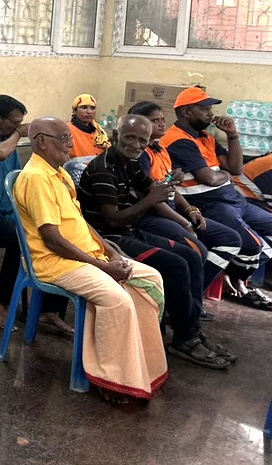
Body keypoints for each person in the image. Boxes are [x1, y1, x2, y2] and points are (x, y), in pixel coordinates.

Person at [14, 117, 167, 405]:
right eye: (63, 138)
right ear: (41, 142)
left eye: (69, 137)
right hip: (56, 262)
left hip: (88, 255)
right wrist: (104, 268)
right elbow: (53, 240)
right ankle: (111, 378)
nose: (71, 142)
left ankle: (141, 363)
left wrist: (110, 251)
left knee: (150, 279)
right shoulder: (36, 178)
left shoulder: (58, 173)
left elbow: (80, 222)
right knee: (115, 298)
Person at [77, 116, 232, 368]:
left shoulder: (131, 163)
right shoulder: (103, 169)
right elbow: (113, 220)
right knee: (176, 264)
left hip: (129, 231)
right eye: (130, 138)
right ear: (116, 137)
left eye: (142, 140)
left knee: (192, 256)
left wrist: (176, 197)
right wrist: (151, 199)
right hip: (109, 241)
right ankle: (185, 337)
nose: (136, 145)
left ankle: (190, 330)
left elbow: (155, 189)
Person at [0, 95, 70, 333]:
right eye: (14, 123)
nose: (19, 127)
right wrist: (17, 135)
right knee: (20, 240)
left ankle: (49, 308)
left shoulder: (8, 143)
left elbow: (17, 181)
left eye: (21, 124)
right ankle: (0, 299)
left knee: (52, 236)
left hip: (2, 213)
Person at [159, 86, 272, 309]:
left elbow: (236, 168)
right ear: (186, 112)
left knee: (263, 235)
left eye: (210, 108)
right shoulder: (177, 140)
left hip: (233, 199)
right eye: (204, 109)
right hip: (209, 204)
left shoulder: (206, 137)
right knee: (251, 246)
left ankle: (235, 277)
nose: (210, 113)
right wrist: (225, 174)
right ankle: (203, 292)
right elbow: (209, 178)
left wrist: (232, 135)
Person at [130, 100, 243, 291]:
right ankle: (182, 302)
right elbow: (153, 199)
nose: (161, 124)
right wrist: (185, 222)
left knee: (231, 239)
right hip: (152, 215)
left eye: (162, 119)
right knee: (196, 250)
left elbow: (170, 189)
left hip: (171, 209)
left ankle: (192, 296)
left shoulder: (161, 150)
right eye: (154, 120)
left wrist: (189, 210)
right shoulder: (141, 156)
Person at [67, 94, 111, 158]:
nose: (89, 111)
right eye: (84, 107)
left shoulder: (98, 131)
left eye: (92, 108)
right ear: (74, 111)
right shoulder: (67, 130)